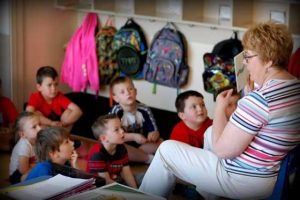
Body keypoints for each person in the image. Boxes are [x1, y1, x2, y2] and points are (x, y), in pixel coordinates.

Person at [139, 21, 300, 199]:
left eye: (248, 57)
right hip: (273, 173)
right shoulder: (294, 87)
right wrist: (251, 95)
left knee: (166, 150)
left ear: (268, 61)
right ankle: (205, 194)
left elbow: (222, 151)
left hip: (245, 180)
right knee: (209, 132)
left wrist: (220, 109)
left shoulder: (260, 99)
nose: (245, 64)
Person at [109, 76, 162, 164]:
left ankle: (138, 157)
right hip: (124, 144)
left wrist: (154, 134)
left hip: (142, 145)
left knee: (162, 142)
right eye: (122, 92)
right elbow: (112, 135)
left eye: (130, 89)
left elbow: (154, 130)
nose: (128, 93)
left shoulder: (144, 109)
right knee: (116, 146)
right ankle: (148, 158)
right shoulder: (116, 111)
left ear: (136, 91)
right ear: (116, 98)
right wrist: (133, 136)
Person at [86, 114, 137, 188]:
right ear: (104, 138)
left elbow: (127, 173)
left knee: (143, 177)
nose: (122, 131)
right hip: (99, 187)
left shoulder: (121, 148)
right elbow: (107, 182)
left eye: (121, 127)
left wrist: (136, 190)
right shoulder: (97, 155)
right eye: (116, 130)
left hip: (116, 179)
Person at [9, 111, 41, 184]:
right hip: (17, 176)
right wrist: (38, 168)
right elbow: (23, 170)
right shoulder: (24, 145)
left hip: (30, 168)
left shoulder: (36, 140)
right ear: (23, 134)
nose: (40, 128)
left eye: (40, 124)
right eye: (34, 127)